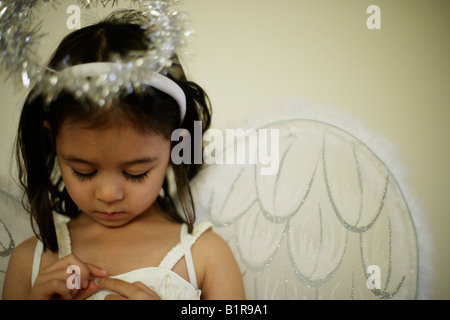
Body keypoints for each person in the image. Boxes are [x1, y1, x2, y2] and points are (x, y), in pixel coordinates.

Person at [2, 10, 245, 300]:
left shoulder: (206, 256)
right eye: (84, 171)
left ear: (176, 143)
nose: (108, 194)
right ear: (52, 141)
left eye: (135, 172)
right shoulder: (30, 261)